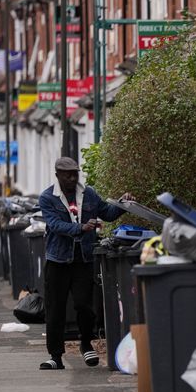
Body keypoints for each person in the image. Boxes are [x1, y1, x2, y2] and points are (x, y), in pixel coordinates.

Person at [38, 156, 132, 370]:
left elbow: (107, 214)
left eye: (75, 174)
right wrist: (81, 228)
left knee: (84, 305)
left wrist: (122, 203)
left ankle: (86, 343)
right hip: (58, 260)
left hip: (83, 258)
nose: (72, 178)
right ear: (58, 176)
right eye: (68, 175)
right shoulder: (48, 198)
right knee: (56, 309)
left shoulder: (88, 194)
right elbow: (55, 225)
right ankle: (55, 356)